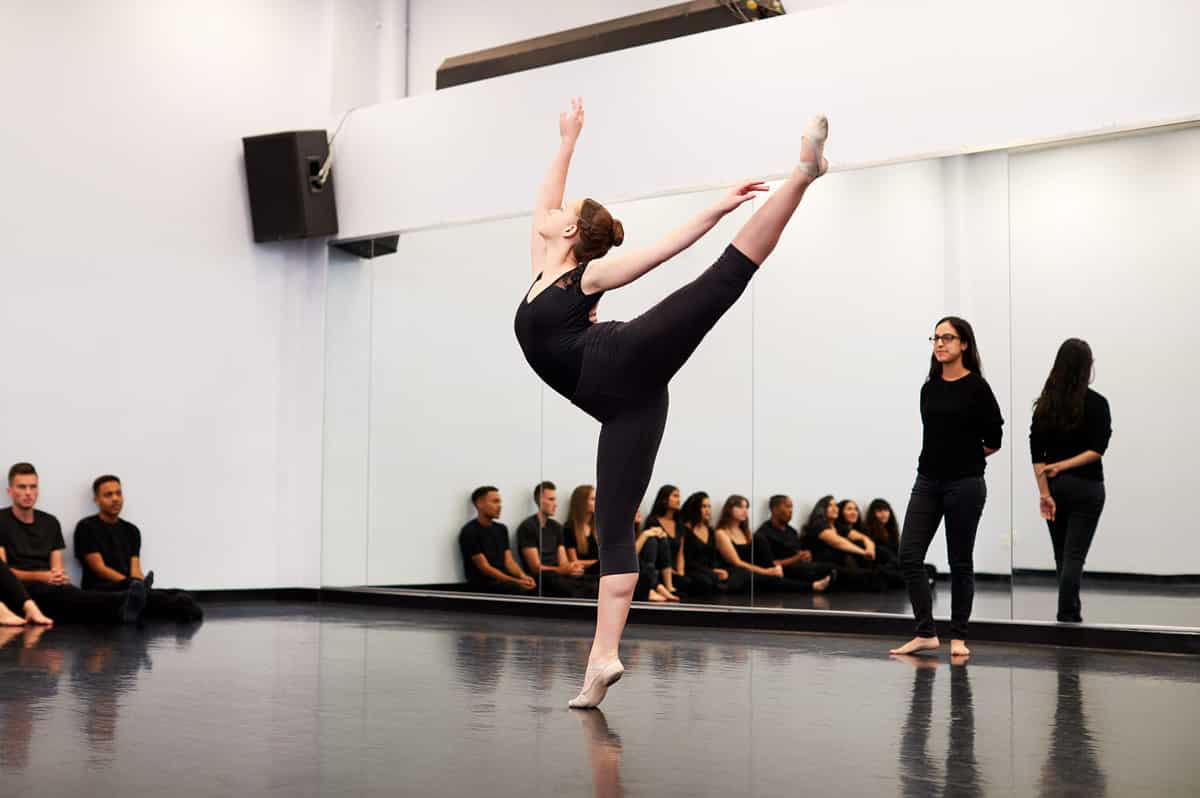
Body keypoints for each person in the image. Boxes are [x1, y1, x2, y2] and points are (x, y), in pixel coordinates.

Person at [515, 96, 830, 707]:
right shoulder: (542, 264)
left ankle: (803, 174)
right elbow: (546, 196)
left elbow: (663, 251)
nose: (551, 210)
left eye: (565, 210)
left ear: (572, 231)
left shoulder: (585, 277)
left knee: (718, 283)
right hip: (626, 407)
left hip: (625, 358)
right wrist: (568, 137)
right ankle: (601, 660)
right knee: (613, 527)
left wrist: (715, 206)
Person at [891, 318, 1003, 657]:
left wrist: (965, 455)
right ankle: (926, 632)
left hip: (965, 484)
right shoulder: (929, 387)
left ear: (964, 344)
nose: (940, 344)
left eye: (948, 338)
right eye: (936, 338)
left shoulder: (977, 388)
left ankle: (958, 637)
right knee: (909, 555)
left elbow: (994, 439)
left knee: (959, 561)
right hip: (927, 480)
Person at [0, 463, 145, 624]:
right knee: (65, 596)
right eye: (22, 487)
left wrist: (57, 576)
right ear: (10, 492)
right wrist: (42, 576)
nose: (28, 493)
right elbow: (3, 573)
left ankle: (128, 601)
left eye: (33, 487)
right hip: (19, 590)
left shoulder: (50, 522)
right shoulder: (1, 520)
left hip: (50, 586)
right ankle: (123, 602)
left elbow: (57, 567)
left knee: (68, 592)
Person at [1030, 338, 1111, 623]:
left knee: (1062, 556)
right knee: (1074, 556)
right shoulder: (1098, 403)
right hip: (1088, 488)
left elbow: (1036, 452)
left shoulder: (1045, 406)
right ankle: (1067, 615)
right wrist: (1065, 465)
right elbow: (1097, 450)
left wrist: (1044, 492)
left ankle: (1069, 612)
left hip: (1056, 488)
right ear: (1087, 366)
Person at [74, 475, 204, 622]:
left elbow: (135, 568)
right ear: (97, 500)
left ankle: (150, 601)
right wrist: (131, 583)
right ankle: (160, 605)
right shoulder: (86, 527)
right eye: (108, 495)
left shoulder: (131, 530)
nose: (115, 498)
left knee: (182, 594)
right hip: (101, 589)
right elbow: (99, 569)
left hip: (131, 586)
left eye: (119, 493)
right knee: (167, 600)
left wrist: (140, 584)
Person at [714, 495, 831, 594]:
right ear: (729, 509)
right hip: (736, 573)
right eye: (739, 507)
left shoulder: (746, 532)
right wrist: (766, 571)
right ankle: (811, 587)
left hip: (752, 569)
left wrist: (771, 569)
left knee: (775, 574)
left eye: (746, 507)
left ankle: (814, 584)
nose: (744, 511)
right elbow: (737, 562)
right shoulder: (721, 533)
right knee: (768, 578)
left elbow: (757, 558)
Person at [515, 481, 597, 599]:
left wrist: (571, 568)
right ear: (540, 500)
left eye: (555, 499)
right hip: (544, 576)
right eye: (551, 499)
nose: (556, 504)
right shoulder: (527, 527)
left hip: (559, 574)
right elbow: (535, 567)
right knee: (553, 578)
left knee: (594, 581)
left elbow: (563, 561)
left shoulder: (556, 527)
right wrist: (562, 570)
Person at [457, 486, 536, 595]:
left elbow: (509, 561)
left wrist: (523, 576)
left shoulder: (501, 529)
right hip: (482, 583)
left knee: (535, 586)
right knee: (518, 589)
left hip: (503, 580)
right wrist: (516, 581)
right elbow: (485, 568)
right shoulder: (469, 531)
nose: (499, 506)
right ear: (480, 504)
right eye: (495, 501)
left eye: (500, 502)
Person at [802, 495, 886, 591]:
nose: (835, 509)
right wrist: (863, 552)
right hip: (823, 566)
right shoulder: (818, 525)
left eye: (836, 506)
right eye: (830, 506)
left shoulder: (838, 526)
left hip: (839, 564)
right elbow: (838, 542)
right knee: (876, 577)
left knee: (864, 545)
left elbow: (864, 538)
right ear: (822, 509)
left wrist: (870, 550)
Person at [753, 495, 836, 585]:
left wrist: (805, 555)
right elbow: (771, 564)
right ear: (775, 509)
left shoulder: (792, 531)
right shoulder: (763, 534)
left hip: (802, 567)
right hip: (784, 571)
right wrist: (796, 558)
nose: (791, 510)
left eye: (791, 507)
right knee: (831, 569)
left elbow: (798, 552)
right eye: (787, 506)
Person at [677, 492, 727, 597]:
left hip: (708, 571)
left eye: (709, 506)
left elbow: (712, 556)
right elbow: (686, 558)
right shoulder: (684, 529)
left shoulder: (710, 530)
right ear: (695, 508)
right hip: (691, 570)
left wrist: (714, 570)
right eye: (704, 506)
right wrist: (711, 572)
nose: (708, 510)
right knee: (707, 582)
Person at [641, 485, 682, 596]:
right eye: (675, 496)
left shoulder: (679, 524)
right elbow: (649, 550)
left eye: (679, 496)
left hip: (671, 570)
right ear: (664, 499)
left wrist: (680, 572)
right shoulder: (653, 520)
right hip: (657, 569)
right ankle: (666, 586)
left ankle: (669, 585)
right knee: (659, 539)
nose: (679, 500)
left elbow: (680, 553)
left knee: (687, 581)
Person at [865, 498, 902, 564]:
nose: (884, 513)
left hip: (894, 565)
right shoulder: (867, 530)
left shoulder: (892, 531)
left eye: (886, 510)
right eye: (879, 511)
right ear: (872, 514)